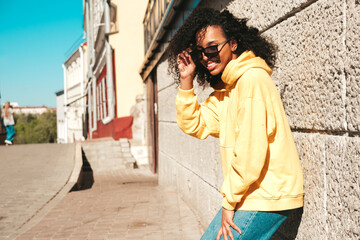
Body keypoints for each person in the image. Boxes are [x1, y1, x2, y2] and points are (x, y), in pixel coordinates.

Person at [166, 8, 304, 240]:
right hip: (249, 194)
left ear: (233, 44)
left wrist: (229, 202)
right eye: (201, 52)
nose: (206, 57)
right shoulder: (226, 90)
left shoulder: (252, 80)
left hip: (269, 194)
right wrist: (186, 79)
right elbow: (195, 124)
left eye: (212, 48)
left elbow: (251, 151)